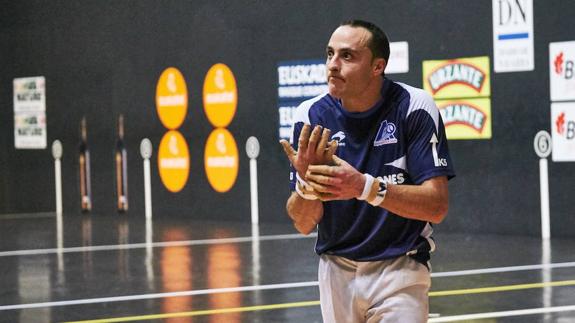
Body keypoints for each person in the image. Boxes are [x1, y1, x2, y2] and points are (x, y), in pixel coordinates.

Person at [280, 20, 455, 323]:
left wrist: (364, 186)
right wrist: (307, 186)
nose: (333, 65)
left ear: (377, 67)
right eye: (330, 54)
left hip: (400, 269)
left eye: (347, 56)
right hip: (336, 271)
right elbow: (303, 222)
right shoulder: (310, 115)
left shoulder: (413, 107)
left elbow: (436, 205)